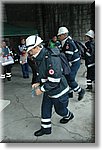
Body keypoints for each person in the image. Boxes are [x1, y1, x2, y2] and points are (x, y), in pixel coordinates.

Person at [26, 35, 74, 136]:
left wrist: (41, 89)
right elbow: (41, 73)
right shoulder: (39, 57)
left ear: (36, 47)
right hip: (49, 90)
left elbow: (55, 80)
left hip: (59, 91)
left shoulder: (51, 58)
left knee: (60, 111)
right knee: (45, 109)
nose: (29, 52)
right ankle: (46, 129)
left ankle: (69, 115)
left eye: (30, 50)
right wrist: (38, 82)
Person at [57, 27, 85, 101]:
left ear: (64, 35)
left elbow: (67, 57)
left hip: (74, 63)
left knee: (70, 78)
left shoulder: (68, 43)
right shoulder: (65, 42)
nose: (58, 37)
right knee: (66, 77)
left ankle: (80, 91)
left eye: (59, 35)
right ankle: (69, 92)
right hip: (71, 63)